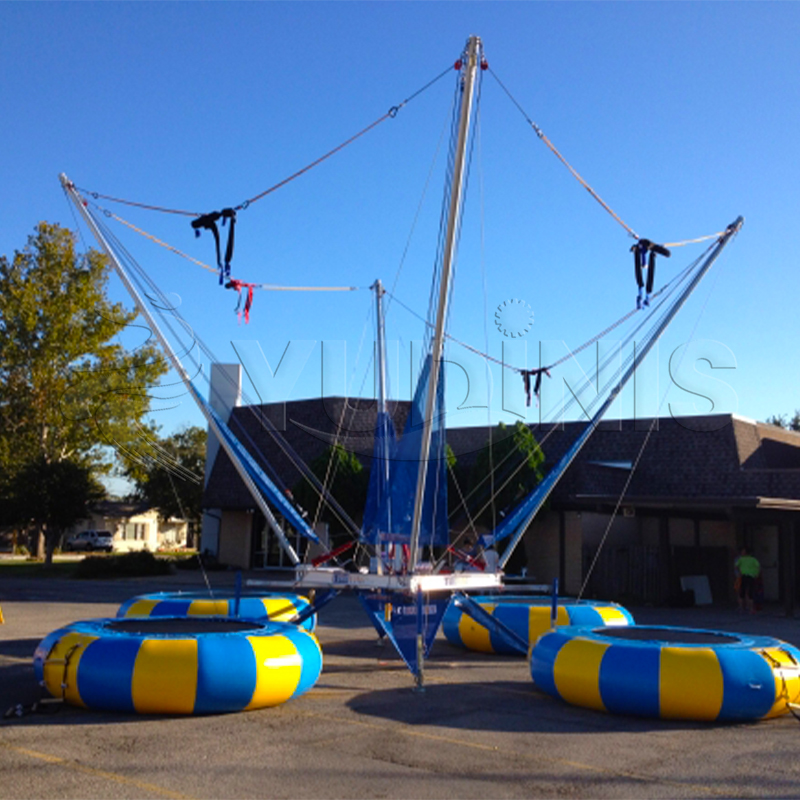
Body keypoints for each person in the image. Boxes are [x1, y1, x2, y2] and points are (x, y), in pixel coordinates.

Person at [734, 546, 761, 614]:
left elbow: (736, 566)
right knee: (750, 592)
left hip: (743, 576)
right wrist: (757, 574)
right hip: (751, 576)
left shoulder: (741, 559)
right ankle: (751, 608)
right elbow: (758, 567)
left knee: (741, 592)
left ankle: (741, 608)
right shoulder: (753, 559)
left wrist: (739, 572)